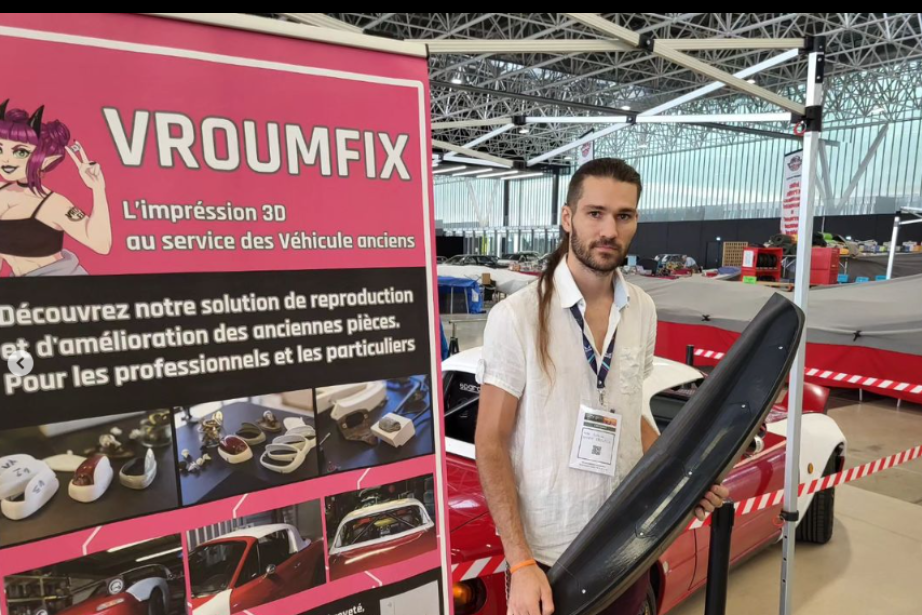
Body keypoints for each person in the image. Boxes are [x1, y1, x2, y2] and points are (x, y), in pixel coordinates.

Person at [475, 159, 729, 615]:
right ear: (568, 217)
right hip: (552, 556)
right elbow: (490, 441)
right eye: (595, 213)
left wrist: (686, 477)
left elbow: (632, 415)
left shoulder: (643, 309)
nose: (609, 229)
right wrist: (520, 562)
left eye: (624, 216)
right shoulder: (516, 317)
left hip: (628, 541)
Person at [0, 100, 112, 277]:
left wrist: (98, 189)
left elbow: (101, 244)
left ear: (45, 160)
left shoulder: (51, 203)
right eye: (0, 150)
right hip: (21, 290)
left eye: (20, 152)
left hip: (62, 287)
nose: (6, 159)